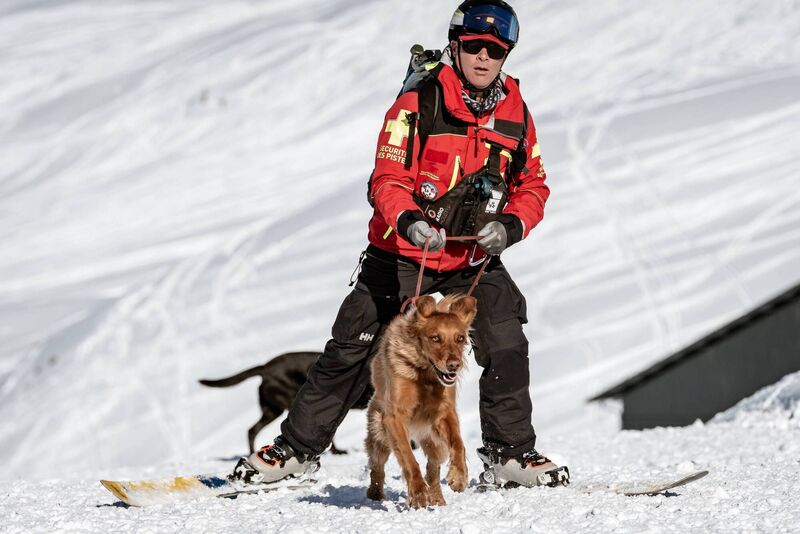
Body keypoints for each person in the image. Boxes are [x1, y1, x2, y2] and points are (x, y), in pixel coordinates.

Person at [231, 0, 568, 489]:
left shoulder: (516, 113)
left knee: (507, 339)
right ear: (455, 45)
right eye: (473, 46)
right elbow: (387, 176)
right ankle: (294, 451)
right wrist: (409, 221)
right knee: (351, 347)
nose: (482, 57)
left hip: (469, 260)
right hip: (399, 254)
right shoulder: (418, 102)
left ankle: (509, 455)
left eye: (495, 50)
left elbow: (532, 183)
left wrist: (512, 226)